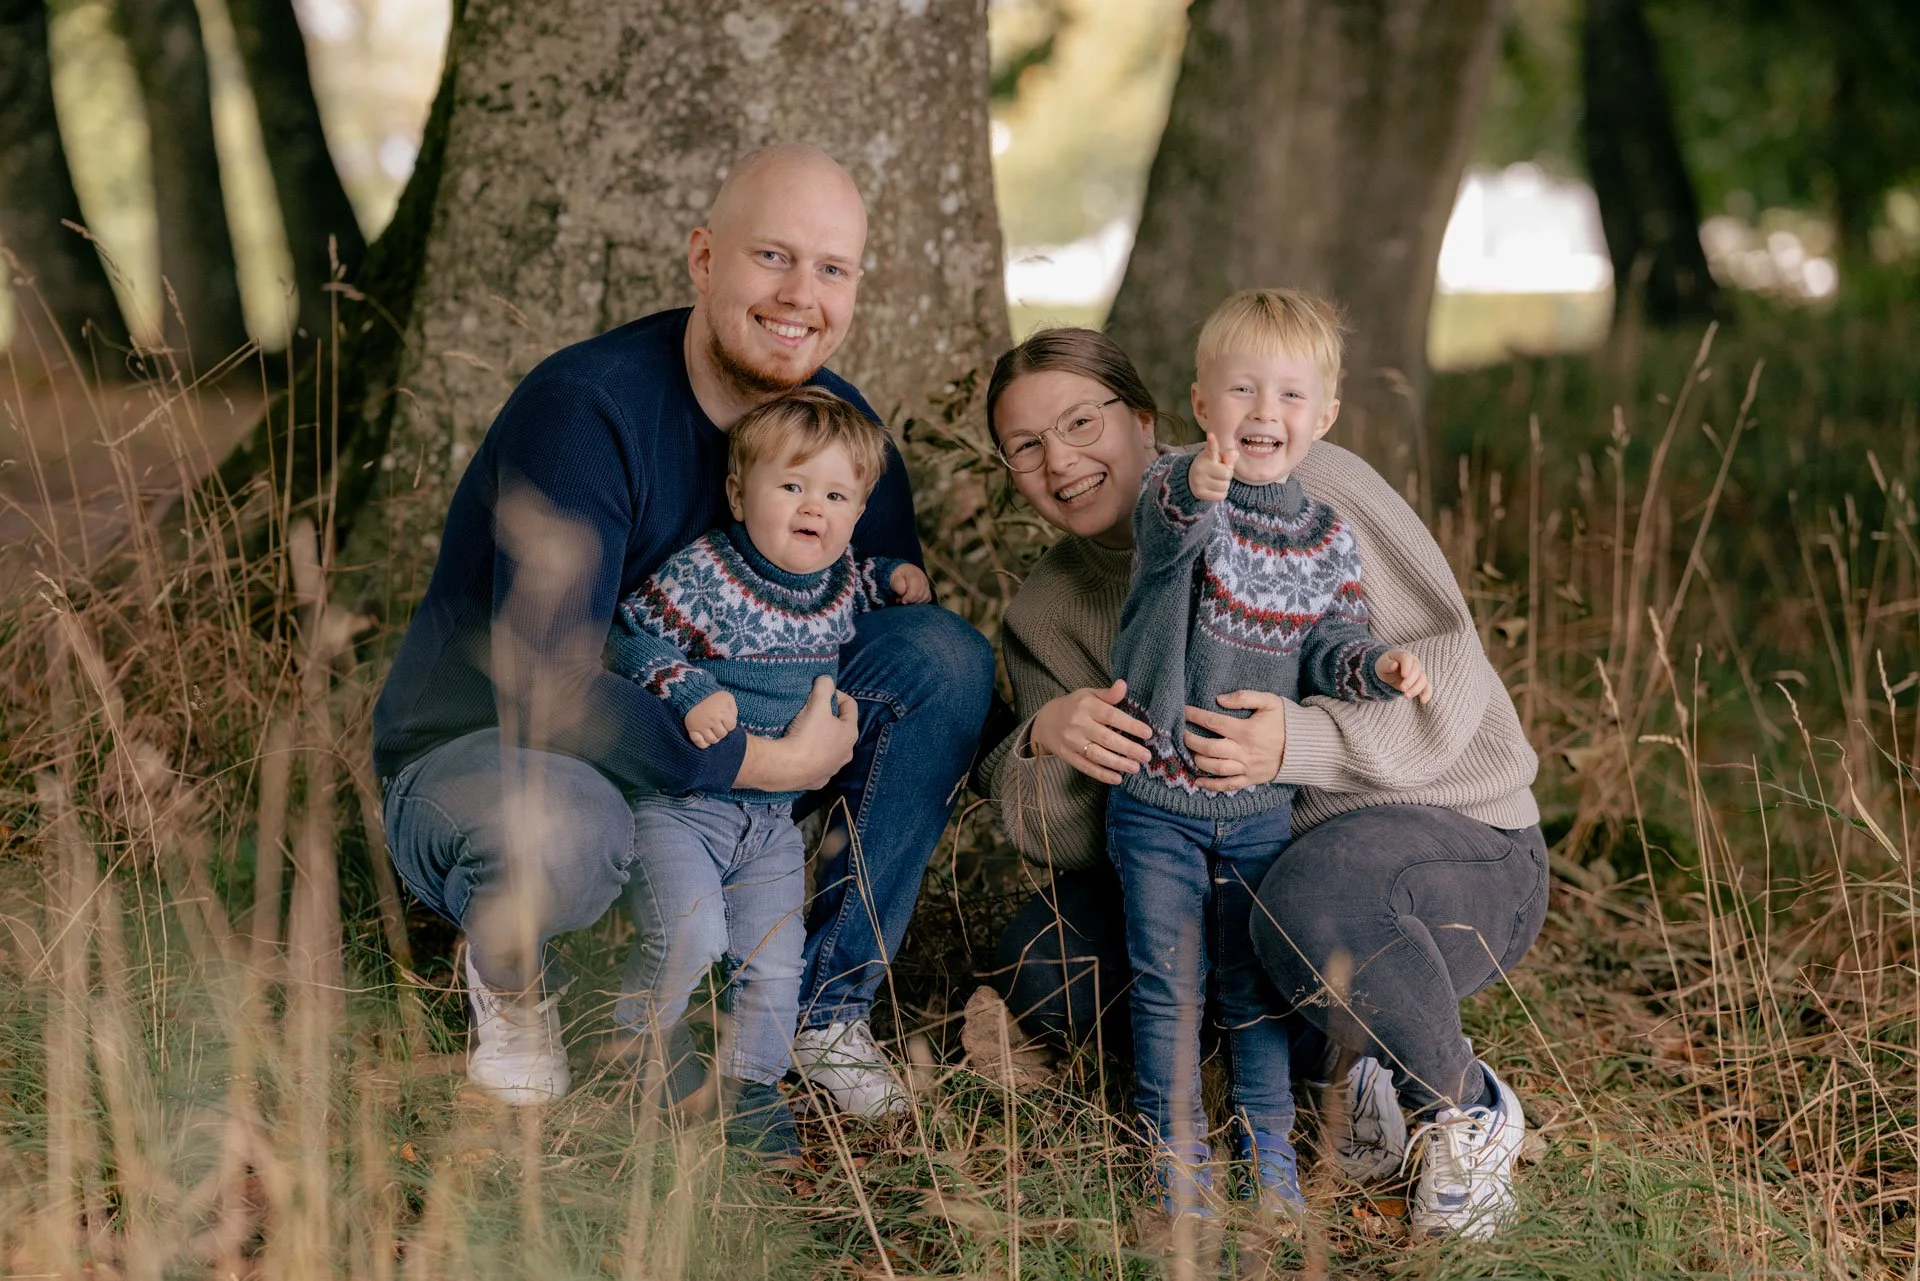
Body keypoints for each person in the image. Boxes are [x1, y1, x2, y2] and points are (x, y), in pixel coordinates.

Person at [373, 143, 994, 1119]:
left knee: (942, 659)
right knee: (572, 834)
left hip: (710, 785)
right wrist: (764, 765)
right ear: (704, 260)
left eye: (833, 269)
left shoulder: (841, 430)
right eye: (773, 257)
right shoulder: (590, 410)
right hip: (498, 751)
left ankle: (818, 1009)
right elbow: (545, 685)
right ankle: (520, 983)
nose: (802, 296)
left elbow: (876, 630)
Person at [978, 325, 1547, 1241]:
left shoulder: (1305, 480)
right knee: (1048, 953)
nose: (1063, 460)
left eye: (1082, 422)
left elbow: (1452, 677)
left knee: (1310, 895)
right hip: (1222, 857)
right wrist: (1048, 741)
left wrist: (1302, 744)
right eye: (1027, 447)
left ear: (1153, 416)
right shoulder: (1045, 609)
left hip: (1452, 846)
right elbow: (1075, 844)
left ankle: (1460, 1105)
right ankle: (1330, 1060)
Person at [1102, 289, 1430, 1220]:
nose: (1264, 414)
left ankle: (1268, 1147)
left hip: (1257, 810)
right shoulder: (1177, 489)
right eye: (1242, 390)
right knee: (1169, 979)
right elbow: (1167, 538)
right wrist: (1193, 490)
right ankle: (1173, 1153)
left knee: (1254, 985)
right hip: (1157, 799)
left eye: (1290, 397)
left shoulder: (1328, 535)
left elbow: (1331, 645)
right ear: (1202, 403)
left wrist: (1379, 664)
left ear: (1323, 418)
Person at [599, 387, 932, 1158]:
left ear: (854, 511)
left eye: (835, 494)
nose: (812, 507)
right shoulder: (707, 574)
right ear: (737, 492)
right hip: (682, 804)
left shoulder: (839, 579)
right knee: (691, 934)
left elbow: (862, 585)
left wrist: (896, 580)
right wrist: (685, 686)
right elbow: (623, 636)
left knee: (775, 961)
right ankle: (629, 1054)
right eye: (791, 486)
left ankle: (748, 1085)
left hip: (773, 826)